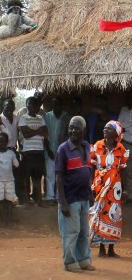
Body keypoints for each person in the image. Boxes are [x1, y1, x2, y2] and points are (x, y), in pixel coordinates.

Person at [56, 116, 95, 273]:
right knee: (71, 232)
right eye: (71, 127)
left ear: (84, 131)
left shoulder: (86, 147)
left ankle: (84, 260)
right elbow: (59, 177)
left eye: (76, 128)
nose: (72, 130)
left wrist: (91, 194)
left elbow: (88, 171)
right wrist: (63, 202)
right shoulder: (63, 149)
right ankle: (70, 262)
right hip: (70, 198)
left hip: (84, 197)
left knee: (84, 232)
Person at [89, 120, 129, 257]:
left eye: (109, 128)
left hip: (115, 188)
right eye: (105, 128)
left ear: (116, 133)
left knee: (114, 215)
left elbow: (123, 171)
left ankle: (111, 249)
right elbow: (91, 166)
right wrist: (91, 185)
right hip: (100, 186)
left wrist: (125, 190)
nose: (105, 130)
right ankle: (101, 248)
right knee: (100, 214)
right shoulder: (97, 146)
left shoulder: (121, 149)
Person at [19, 96, 48, 207]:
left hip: (39, 151)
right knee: (27, 177)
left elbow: (45, 133)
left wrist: (32, 131)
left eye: (32, 104)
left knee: (38, 177)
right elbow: (25, 135)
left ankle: (39, 200)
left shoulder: (41, 118)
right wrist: (38, 131)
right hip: (27, 152)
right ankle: (27, 201)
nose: (29, 106)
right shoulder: (23, 118)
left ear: (37, 106)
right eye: (28, 104)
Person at [44, 97, 69, 206]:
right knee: (50, 174)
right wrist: (48, 148)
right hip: (49, 149)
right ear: (51, 105)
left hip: (63, 151)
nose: (56, 107)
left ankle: (60, 196)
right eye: (54, 105)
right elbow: (45, 134)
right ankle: (50, 196)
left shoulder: (65, 116)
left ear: (61, 105)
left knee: (61, 174)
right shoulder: (47, 116)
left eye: (58, 104)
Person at [118, 91, 132, 204]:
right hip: (126, 143)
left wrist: (127, 127)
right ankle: (129, 195)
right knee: (127, 170)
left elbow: (124, 127)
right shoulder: (123, 110)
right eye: (128, 98)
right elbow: (119, 125)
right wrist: (127, 127)